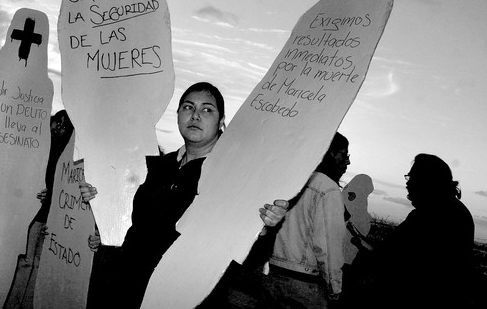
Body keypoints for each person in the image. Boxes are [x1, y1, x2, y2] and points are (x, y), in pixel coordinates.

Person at [88, 82, 289, 308]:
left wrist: (265, 229)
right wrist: (104, 218)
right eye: (188, 107)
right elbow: (135, 224)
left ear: (222, 120)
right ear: (178, 115)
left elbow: (247, 257)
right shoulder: (156, 166)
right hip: (128, 290)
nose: (195, 115)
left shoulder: (234, 176)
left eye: (207, 109)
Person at [369, 153, 475, 309]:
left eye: (411, 178)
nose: (407, 184)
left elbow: (399, 257)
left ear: (426, 181)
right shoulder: (453, 211)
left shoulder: (431, 214)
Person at [260, 132, 350, 308]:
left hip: (272, 275)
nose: (347, 161)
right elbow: (328, 247)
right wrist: (334, 289)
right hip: (304, 285)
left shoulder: (290, 178)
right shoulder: (327, 189)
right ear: (330, 153)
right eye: (344, 154)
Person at [4, 109, 76, 308]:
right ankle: (11, 304)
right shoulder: (37, 147)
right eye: (56, 122)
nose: (58, 128)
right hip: (33, 216)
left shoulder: (68, 158)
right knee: (25, 262)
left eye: (64, 127)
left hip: (52, 219)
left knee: (39, 266)